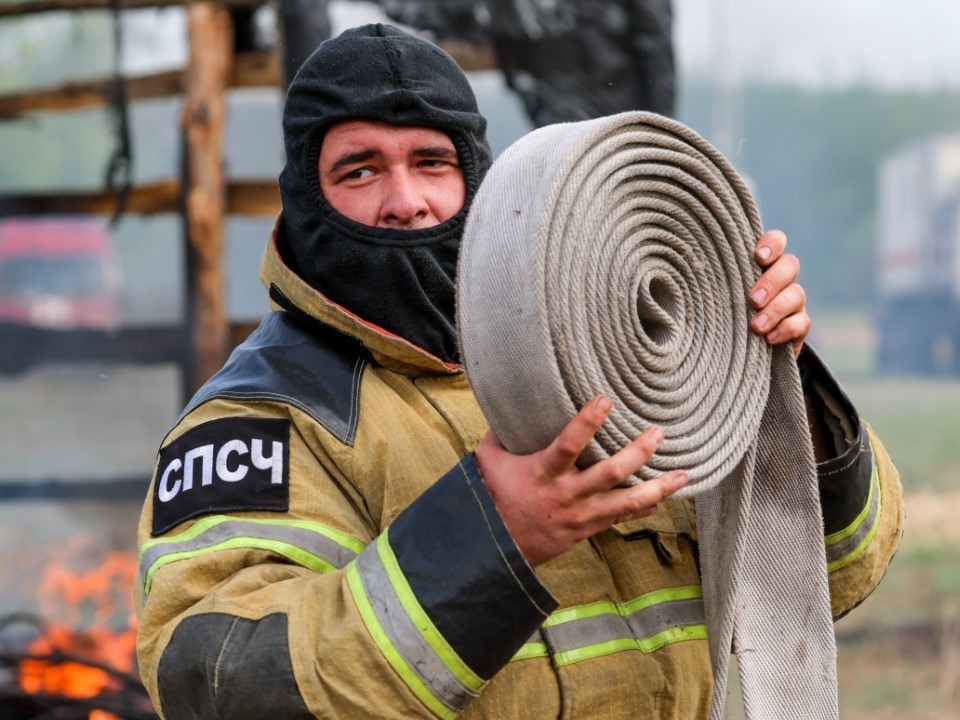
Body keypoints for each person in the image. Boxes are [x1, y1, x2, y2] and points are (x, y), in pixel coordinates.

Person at [134, 24, 904, 719]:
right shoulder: (268, 420)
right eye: (361, 169)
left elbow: (835, 571)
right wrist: (489, 540)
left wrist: (773, 378)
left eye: (432, 162)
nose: (406, 202)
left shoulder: (606, 349)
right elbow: (225, 689)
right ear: (306, 195)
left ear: (478, 178)